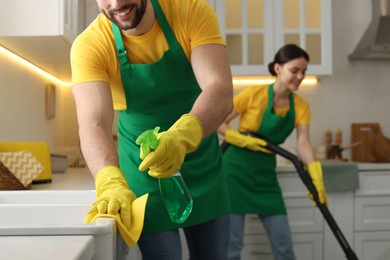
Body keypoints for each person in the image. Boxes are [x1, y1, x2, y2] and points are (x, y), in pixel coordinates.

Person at [70, 0, 233, 259]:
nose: (117, 3)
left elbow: (220, 90)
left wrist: (182, 136)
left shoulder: (190, 11)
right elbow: (93, 124)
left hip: (202, 163)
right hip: (143, 174)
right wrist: (109, 179)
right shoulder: (91, 44)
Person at [218, 44, 328, 260]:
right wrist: (238, 138)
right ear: (278, 68)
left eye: (303, 72)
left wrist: (316, 174)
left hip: (265, 177)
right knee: (232, 247)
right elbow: (219, 121)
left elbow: (303, 143)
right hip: (234, 173)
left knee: (283, 247)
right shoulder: (253, 94)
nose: (300, 76)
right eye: (294, 70)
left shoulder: (301, 106)